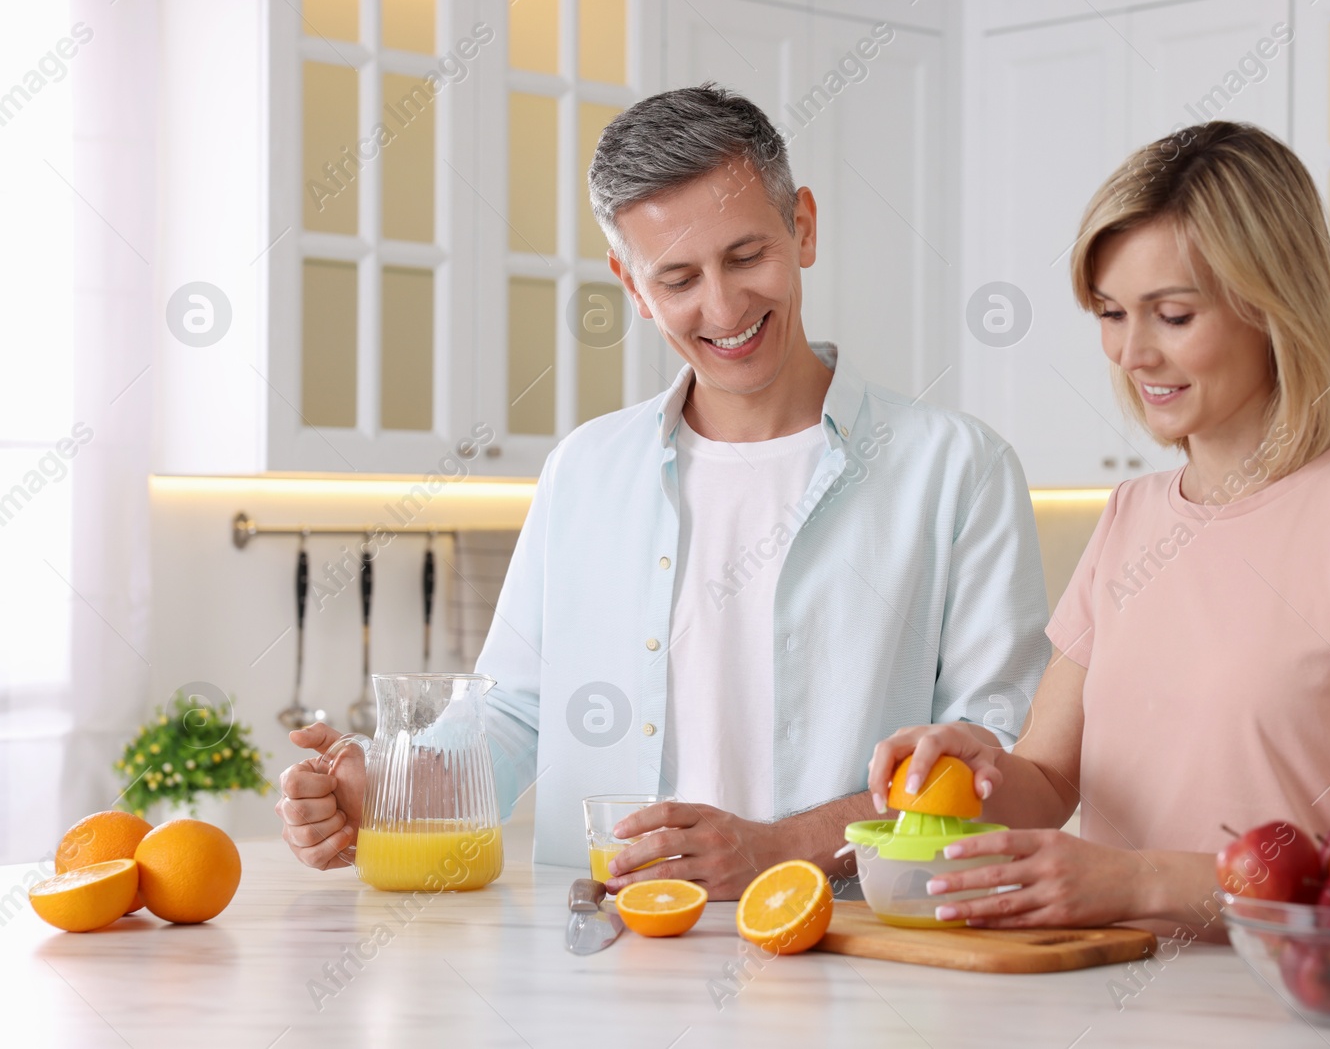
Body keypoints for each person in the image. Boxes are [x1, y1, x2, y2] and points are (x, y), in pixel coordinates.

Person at [275, 85, 1051, 899]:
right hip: (598, 956)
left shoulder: (957, 469)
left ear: (804, 227)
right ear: (631, 283)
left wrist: (784, 848)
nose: (724, 307)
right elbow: (513, 718)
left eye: (747, 256)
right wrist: (386, 790)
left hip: (848, 958)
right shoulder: (585, 471)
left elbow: (994, 764)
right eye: (678, 277)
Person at [867, 121, 1330, 939]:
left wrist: (1138, 882)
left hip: (1294, 1008)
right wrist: (972, 762)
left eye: (1172, 315)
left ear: (1272, 304)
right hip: (1095, 994)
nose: (1133, 354)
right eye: (1109, 313)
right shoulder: (1132, 516)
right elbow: (1048, 777)